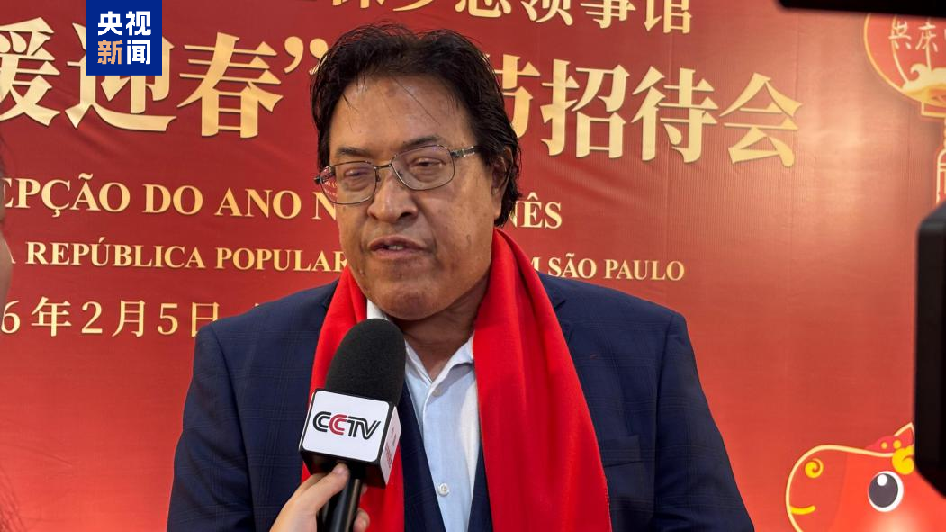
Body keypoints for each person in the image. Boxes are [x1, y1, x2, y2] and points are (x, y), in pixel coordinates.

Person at [168, 24, 753, 532]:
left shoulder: (640, 349)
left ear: (496, 179)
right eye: (356, 173)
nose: (387, 205)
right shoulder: (244, 365)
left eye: (425, 165)